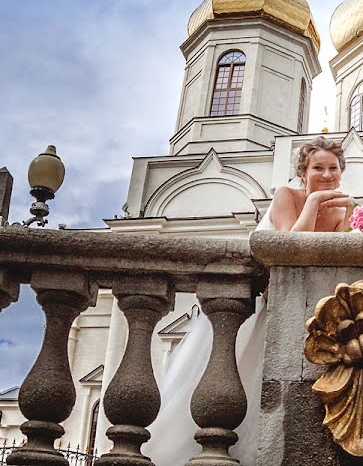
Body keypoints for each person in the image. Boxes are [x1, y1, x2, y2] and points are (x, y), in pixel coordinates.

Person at [145, 136, 350, 466]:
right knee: (246, 373)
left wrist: (351, 215)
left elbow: (337, 261)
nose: (326, 175)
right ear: (303, 171)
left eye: (333, 168)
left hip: (311, 305)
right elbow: (289, 247)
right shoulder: (287, 195)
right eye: (318, 168)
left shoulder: (341, 207)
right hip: (264, 301)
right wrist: (313, 204)